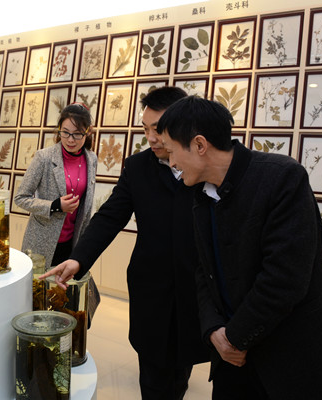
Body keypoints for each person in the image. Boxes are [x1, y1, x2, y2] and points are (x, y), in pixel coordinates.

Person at [157, 96, 322, 400]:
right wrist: (213, 330)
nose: (171, 163)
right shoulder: (200, 194)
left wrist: (233, 338)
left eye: (172, 152)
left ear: (199, 145)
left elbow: (284, 279)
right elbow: (203, 271)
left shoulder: (282, 177)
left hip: (292, 357)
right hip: (232, 361)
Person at [40, 86, 210, 399]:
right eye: (146, 129)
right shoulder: (138, 167)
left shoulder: (205, 166)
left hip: (194, 291)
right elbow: (109, 217)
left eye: (158, 129)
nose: (152, 138)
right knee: (154, 376)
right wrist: (78, 259)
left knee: (180, 372)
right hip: (152, 291)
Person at [14, 102, 100, 321]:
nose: (70, 139)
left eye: (77, 134)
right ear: (59, 130)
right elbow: (20, 198)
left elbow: (87, 206)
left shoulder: (91, 159)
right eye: (65, 132)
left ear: (87, 132)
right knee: (37, 302)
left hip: (72, 244)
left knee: (63, 304)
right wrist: (54, 205)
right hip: (42, 244)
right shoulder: (44, 158)